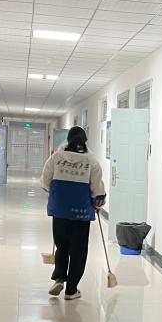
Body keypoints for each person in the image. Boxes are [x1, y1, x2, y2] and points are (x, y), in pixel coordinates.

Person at [41, 127, 106, 300]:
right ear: (85, 141)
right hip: (81, 213)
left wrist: (59, 195)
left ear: (68, 139)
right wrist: (97, 204)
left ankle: (60, 278)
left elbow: (45, 182)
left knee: (62, 246)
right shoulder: (91, 161)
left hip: (59, 210)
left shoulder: (56, 158)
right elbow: (98, 191)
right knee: (78, 250)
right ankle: (71, 290)